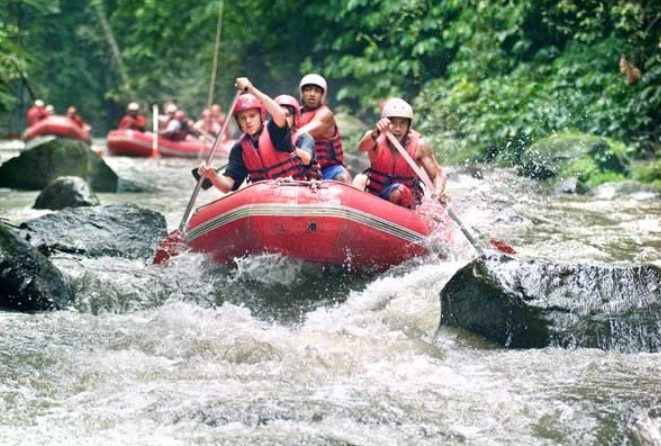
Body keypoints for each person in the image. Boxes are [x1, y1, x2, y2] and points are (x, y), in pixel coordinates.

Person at [197, 77, 308, 193]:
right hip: (263, 197)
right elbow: (227, 185)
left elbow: (279, 114)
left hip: (294, 189)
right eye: (243, 118)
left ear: (261, 115)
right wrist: (213, 176)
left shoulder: (274, 130)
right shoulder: (239, 148)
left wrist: (251, 89)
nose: (248, 121)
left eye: (252, 115)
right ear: (239, 122)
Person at [353, 97, 446, 209]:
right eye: (393, 123)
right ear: (385, 123)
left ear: (409, 126)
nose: (398, 128)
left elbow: (436, 176)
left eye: (403, 123)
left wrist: (438, 192)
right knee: (359, 179)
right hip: (377, 197)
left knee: (398, 190)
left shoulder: (419, 145)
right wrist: (376, 132)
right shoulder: (375, 138)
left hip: (406, 203)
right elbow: (362, 147)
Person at [294, 73, 352, 183]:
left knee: (342, 178)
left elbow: (302, 134)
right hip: (303, 169)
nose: (312, 94)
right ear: (302, 93)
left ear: (322, 95)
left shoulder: (325, 114)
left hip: (328, 169)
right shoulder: (295, 114)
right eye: (308, 90)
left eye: (317, 91)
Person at [274, 94, 321, 180]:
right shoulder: (267, 138)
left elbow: (307, 159)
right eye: (279, 116)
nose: (283, 119)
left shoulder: (304, 138)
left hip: (304, 183)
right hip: (277, 184)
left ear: (294, 118)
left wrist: (292, 149)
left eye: (287, 115)